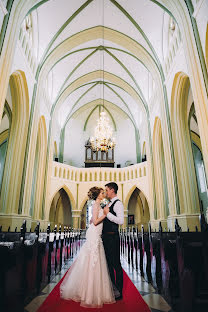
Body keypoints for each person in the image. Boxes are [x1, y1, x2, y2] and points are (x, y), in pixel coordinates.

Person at [60, 187, 115, 308]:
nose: (103, 194)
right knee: (92, 261)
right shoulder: (96, 205)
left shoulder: (98, 205)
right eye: (101, 193)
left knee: (95, 260)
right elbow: (95, 222)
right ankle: (88, 293)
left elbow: (92, 220)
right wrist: (105, 215)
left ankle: (93, 290)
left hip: (96, 233)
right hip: (94, 234)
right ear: (97, 195)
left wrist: (101, 214)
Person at [102, 182, 124, 300]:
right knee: (108, 264)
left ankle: (119, 291)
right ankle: (112, 289)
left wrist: (108, 214)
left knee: (116, 264)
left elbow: (121, 221)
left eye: (107, 190)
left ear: (112, 190)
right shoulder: (108, 202)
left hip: (113, 237)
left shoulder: (118, 203)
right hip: (106, 237)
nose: (106, 192)